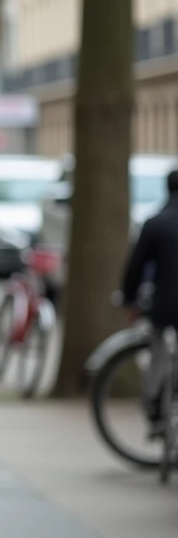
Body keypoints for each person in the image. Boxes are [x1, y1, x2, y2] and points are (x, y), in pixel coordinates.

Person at [120, 169, 178, 436]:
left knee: (158, 352)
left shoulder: (155, 223)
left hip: (164, 307)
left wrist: (129, 300)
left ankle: (155, 408)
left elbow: (135, 268)